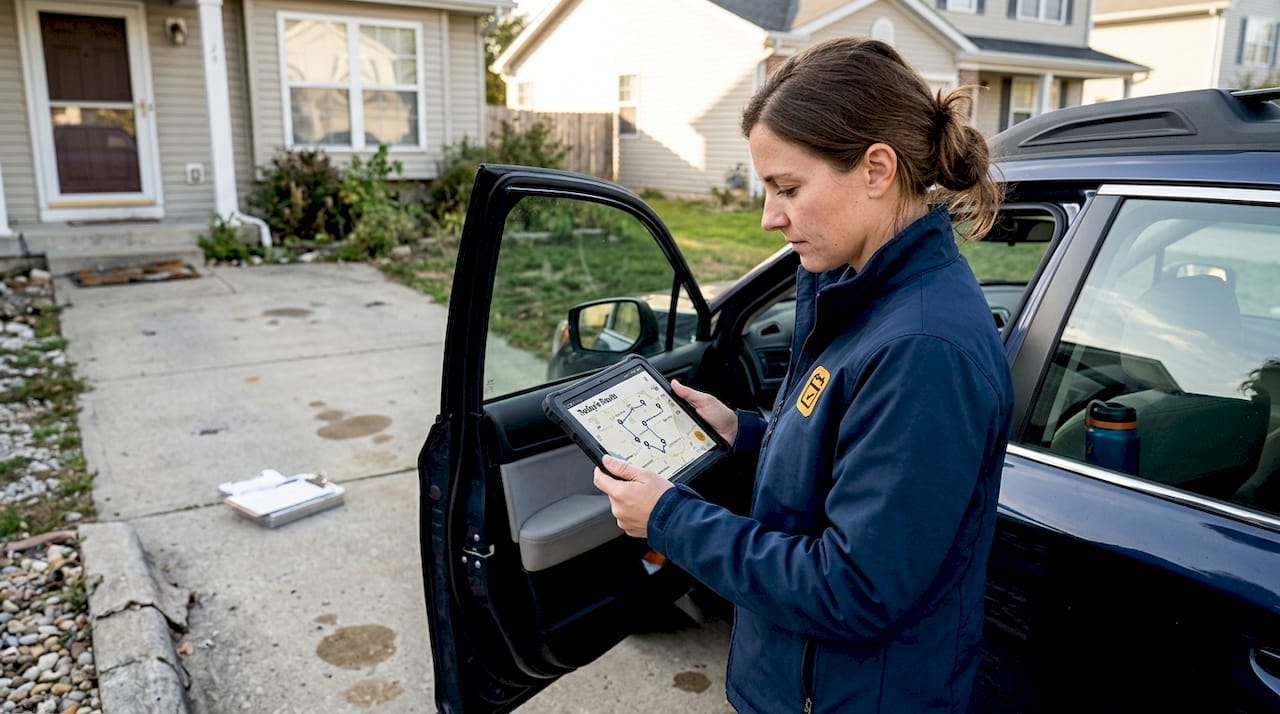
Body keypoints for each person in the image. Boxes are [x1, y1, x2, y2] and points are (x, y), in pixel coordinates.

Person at [593, 36, 1014, 713]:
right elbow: (846, 458)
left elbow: (853, 588)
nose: (769, 216)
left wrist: (669, 518)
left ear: (877, 169)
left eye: (788, 187)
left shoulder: (924, 347)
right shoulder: (855, 293)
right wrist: (746, 434)